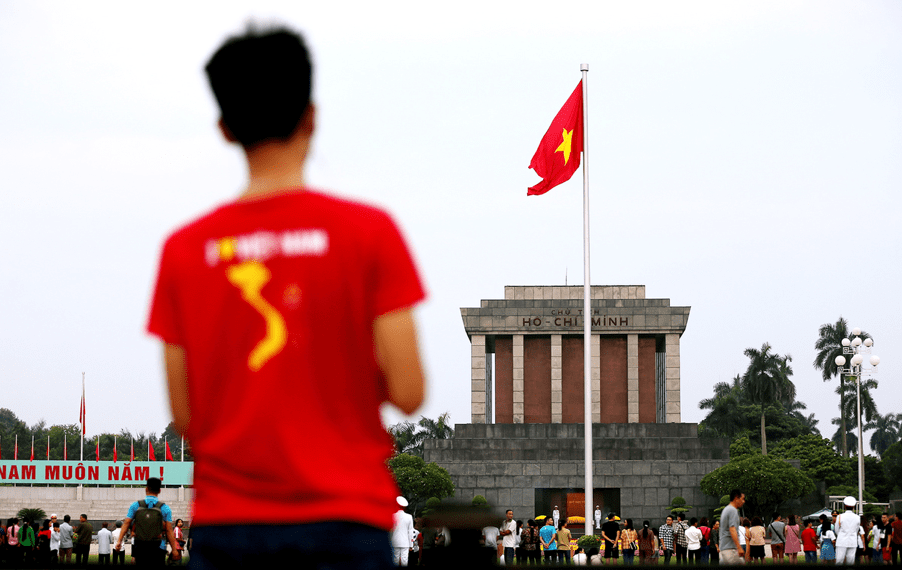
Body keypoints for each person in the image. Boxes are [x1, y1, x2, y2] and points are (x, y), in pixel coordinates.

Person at [148, 26, 427, 570]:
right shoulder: (369, 234)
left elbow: (185, 414)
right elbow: (410, 390)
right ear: (312, 116)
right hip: (346, 524)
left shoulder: (184, 251)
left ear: (226, 128)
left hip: (228, 528)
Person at [114, 477, 181, 566]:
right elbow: (169, 530)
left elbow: (126, 523)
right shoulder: (164, 508)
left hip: (140, 547)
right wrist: (174, 549)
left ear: (146, 489)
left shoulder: (136, 505)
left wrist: (119, 541)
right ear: (159, 491)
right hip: (158, 547)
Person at [719, 489, 746, 565]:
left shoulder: (726, 509)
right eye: (742, 499)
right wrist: (739, 547)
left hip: (725, 548)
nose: (744, 501)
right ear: (736, 497)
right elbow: (732, 529)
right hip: (729, 549)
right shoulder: (732, 510)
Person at [835, 496, 860, 565]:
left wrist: (841, 535)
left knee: (839, 561)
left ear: (845, 506)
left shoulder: (839, 516)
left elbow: (836, 529)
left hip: (841, 541)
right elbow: (857, 529)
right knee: (850, 562)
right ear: (854, 506)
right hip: (852, 541)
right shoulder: (857, 517)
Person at [392, 497, 415, 567]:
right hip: (405, 542)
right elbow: (410, 531)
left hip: (395, 541)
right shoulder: (409, 517)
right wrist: (411, 544)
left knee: (395, 560)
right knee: (404, 560)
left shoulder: (393, 516)